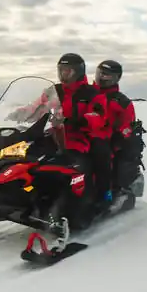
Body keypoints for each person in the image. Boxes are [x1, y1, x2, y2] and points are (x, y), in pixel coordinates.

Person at [54, 53, 111, 205]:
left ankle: (105, 193)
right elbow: (37, 106)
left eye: (68, 71)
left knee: (100, 155)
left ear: (78, 72)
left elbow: (99, 115)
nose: (63, 74)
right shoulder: (55, 91)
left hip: (82, 137)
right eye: (61, 70)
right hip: (57, 136)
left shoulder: (92, 93)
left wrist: (80, 120)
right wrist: (21, 112)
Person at [94, 59, 145, 195]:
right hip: (84, 135)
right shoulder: (88, 94)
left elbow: (127, 125)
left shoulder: (122, 102)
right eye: (100, 73)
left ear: (116, 78)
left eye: (106, 75)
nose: (101, 77)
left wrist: (119, 132)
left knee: (102, 159)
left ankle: (106, 195)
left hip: (108, 139)